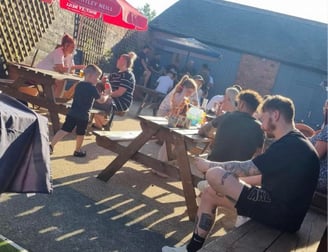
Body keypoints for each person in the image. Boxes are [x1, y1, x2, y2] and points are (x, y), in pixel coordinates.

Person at [162, 95, 320, 252]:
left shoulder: (290, 145)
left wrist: (209, 165)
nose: (262, 126)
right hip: (284, 213)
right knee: (209, 193)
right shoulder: (296, 142)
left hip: (278, 215)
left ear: (275, 115)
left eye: (264, 118)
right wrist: (231, 184)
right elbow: (262, 177)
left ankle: (244, 212)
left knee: (214, 174)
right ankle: (191, 249)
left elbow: (249, 167)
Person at [50, 64, 107, 157]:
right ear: (89, 76)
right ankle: (77, 150)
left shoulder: (79, 85)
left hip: (72, 112)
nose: (97, 80)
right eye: (96, 78)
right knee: (81, 133)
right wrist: (107, 95)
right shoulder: (92, 88)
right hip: (83, 115)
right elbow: (101, 100)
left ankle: (51, 145)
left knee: (64, 129)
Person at [199, 89, 264, 162]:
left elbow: (201, 131)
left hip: (213, 166)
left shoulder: (226, 116)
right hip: (237, 171)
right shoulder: (260, 128)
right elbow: (259, 155)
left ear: (241, 104)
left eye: (237, 103)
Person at [92, 52, 137, 129]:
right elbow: (105, 85)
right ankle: (101, 122)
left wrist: (106, 95)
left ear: (124, 62)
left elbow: (119, 93)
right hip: (111, 97)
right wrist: (103, 81)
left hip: (122, 101)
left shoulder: (128, 75)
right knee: (95, 95)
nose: (117, 61)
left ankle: (105, 121)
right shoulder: (115, 74)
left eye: (119, 59)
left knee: (97, 100)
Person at [310, 99, 327, 194]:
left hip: (321, 179)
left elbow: (314, 157)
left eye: (325, 108)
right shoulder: (324, 130)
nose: (323, 110)